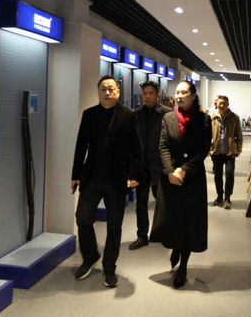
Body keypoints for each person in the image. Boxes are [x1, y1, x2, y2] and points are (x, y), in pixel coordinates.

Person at [70, 75, 142, 288]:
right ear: (98, 92)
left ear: (118, 92)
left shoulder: (129, 115)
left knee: (114, 226)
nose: (107, 92)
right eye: (103, 89)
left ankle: (109, 268)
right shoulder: (89, 114)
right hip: (91, 177)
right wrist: (75, 174)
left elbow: (136, 148)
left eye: (111, 89)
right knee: (83, 218)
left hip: (117, 179)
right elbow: (81, 145)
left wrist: (135, 176)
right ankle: (90, 255)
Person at [150, 81, 211, 288]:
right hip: (171, 178)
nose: (180, 96)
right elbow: (163, 146)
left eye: (184, 92)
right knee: (173, 219)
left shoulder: (204, 120)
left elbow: (202, 151)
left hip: (192, 178)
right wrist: (169, 171)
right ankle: (176, 247)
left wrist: (184, 170)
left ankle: (183, 266)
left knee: (189, 222)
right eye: (177, 92)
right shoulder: (168, 118)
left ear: (193, 96)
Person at [129, 81, 172, 250]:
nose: (147, 97)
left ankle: (164, 233)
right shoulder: (136, 114)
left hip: (160, 167)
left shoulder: (167, 114)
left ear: (158, 95)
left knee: (163, 203)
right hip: (141, 168)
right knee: (141, 204)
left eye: (151, 93)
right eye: (145, 94)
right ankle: (142, 236)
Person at [209, 95, 243, 209]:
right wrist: (208, 149)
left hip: (230, 151)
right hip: (216, 151)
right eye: (220, 103)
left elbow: (239, 134)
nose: (222, 105)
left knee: (229, 174)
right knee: (217, 175)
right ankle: (219, 197)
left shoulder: (234, 117)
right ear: (216, 104)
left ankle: (227, 198)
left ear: (228, 104)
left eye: (224, 103)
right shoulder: (212, 117)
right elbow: (207, 134)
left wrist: (239, 148)